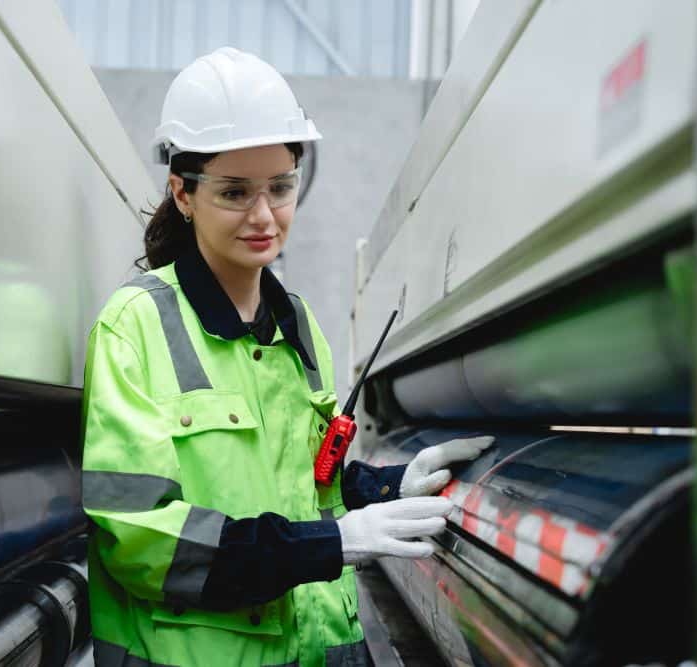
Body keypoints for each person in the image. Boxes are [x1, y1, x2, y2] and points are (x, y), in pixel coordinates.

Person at [81, 47, 494, 667]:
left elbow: (306, 490)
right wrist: (330, 544)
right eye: (234, 192)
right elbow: (140, 539)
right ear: (183, 192)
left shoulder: (297, 326)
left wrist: (383, 488)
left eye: (280, 187)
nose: (264, 215)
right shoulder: (134, 327)